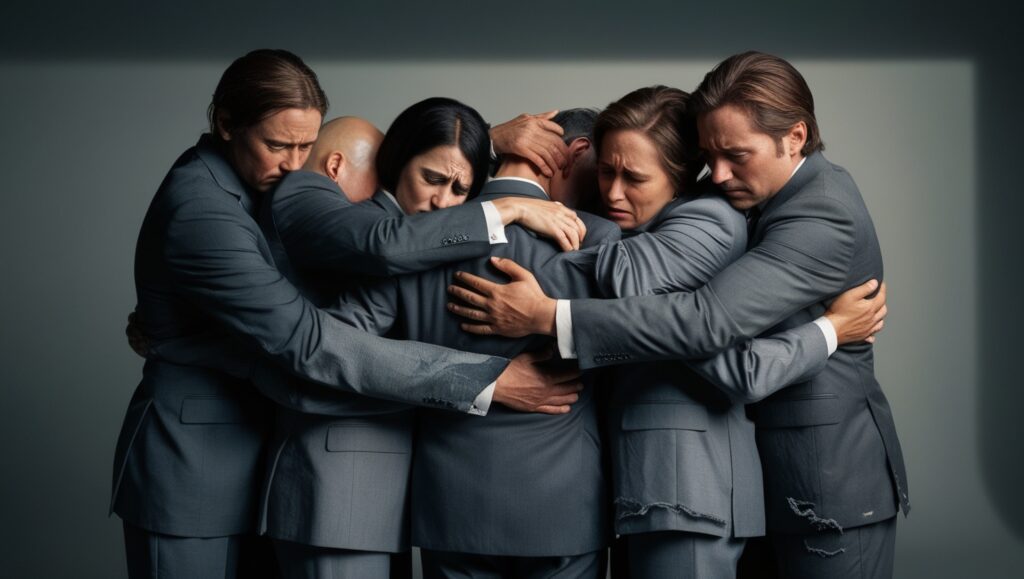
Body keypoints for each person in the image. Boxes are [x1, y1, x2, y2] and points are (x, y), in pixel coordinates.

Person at [110, 49, 576, 579]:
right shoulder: (202, 208)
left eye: (306, 145)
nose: (293, 164)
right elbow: (314, 336)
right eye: (278, 145)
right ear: (225, 123)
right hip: (193, 470)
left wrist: (480, 140)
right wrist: (484, 379)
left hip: (271, 456)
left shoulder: (254, 179)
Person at [448, 53, 907, 579]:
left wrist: (551, 317)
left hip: (828, 478)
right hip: (748, 472)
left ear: (795, 137)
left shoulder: (816, 213)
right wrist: (491, 144)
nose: (719, 174)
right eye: (711, 155)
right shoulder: (742, 196)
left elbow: (706, 323)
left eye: (736, 154)